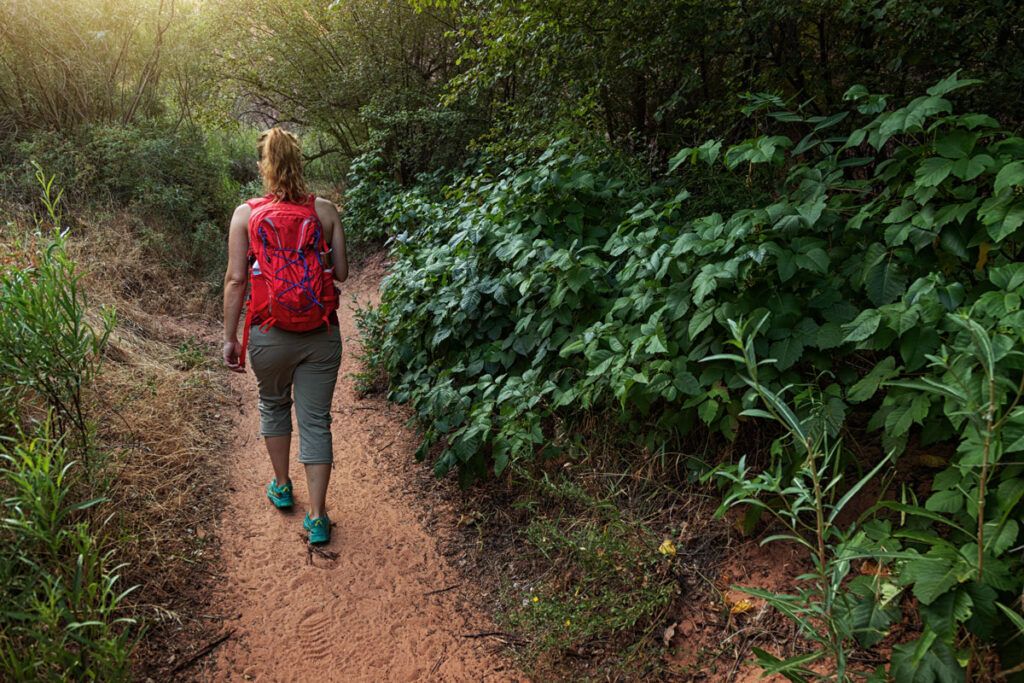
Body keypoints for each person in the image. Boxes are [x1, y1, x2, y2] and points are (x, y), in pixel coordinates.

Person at [222, 127, 348, 544]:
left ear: (265, 166)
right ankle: (317, 516)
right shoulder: (325, 211)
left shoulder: (246, 214)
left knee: (274, 405)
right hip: (320, 333)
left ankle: (280, 484)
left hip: (268, 333)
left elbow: (236, 281)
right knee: (316, 421)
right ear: (299, 163)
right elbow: (342, 273)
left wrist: (230, 339)